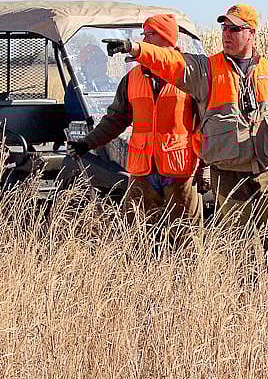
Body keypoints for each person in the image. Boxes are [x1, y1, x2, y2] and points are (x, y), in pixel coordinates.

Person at [103, 4, 268, 257]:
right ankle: (246, 294)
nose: (226, 34)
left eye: (235, 29)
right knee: (241, 246)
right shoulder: (207, 70)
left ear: (251, 34)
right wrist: (135, 48)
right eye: (224, 28)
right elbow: (171, 60)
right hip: (228, 174)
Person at [68, 14, 202, 232]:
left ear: (169, 40)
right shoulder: (132, 78)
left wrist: (203, 167)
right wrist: (86, 144)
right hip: (143, 172)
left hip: (180, 171)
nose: (145, 39)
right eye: (145, 34)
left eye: (152, 34)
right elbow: (116, 119)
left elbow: (205, 125)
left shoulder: (190, 75)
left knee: (186, 239)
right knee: (136, 236)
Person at [64, 43, 116, 121]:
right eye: (98, 60)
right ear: (86, 64)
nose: (103, 63)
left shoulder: (111, 82)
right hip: (89, 127)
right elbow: (74, 112)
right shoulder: (77, 83)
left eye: (104, 59)